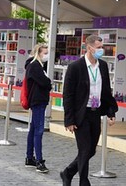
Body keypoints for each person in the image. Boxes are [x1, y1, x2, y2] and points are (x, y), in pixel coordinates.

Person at [60, 34, 118, 186]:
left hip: (96, 112)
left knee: (91, 150)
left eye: (102, 47)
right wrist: (69, 120)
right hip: (81, 114)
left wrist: (111, 111)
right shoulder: (75, 67)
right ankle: (84, 181)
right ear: (89, 48)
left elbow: (106, 91)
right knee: (84, 149)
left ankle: (68, 172)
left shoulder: (103, 66)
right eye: (98, 47)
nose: (101, 50)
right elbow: (68, 95)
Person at [24, 43, 52, 173]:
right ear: (38, 53)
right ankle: (39, 161)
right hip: (38, 101)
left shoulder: (37, 66)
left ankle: (30, 157)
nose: (46, 55)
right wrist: (48, 83)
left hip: (38, 100)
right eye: (44, 53)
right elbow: (45, 82)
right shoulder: (35, 66)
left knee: (34, 129)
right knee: (38, 131)